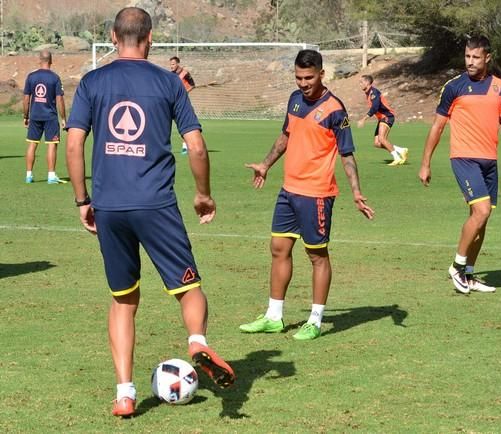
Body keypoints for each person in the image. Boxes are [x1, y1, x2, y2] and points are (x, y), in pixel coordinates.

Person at [65, 7, 235, 418]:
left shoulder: (92, 81)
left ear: (111, 36)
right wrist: (203, 195)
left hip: (109, 205)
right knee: (188, 287)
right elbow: (195, 146)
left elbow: (73, 145)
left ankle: (124, 393)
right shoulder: (168, 82)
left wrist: (83, 200)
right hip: (156, 204)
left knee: (124, 300)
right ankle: (197, 341)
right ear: (151, 39)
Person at [240, 49, 374, 340]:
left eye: (309, 77)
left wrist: (356, 192)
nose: (303, 83)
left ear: (322, 74)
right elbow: (286, 135)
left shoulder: (335, 110)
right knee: (278, 248)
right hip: (289, 190)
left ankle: (315, 320)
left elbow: (347, 154)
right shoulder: (294, 99)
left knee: (316, 255)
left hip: (317, 194)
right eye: (299, 77)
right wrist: (265, 164)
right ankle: (274, 316)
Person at [419, 36, 501, 294]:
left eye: (475, 57)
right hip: (463, 157)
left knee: (482, 219)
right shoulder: (453, 87)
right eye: (467, 57)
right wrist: (425, 163)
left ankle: (469, 274)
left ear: (487, 58)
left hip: (489, 160)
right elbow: (437, 126)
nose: (470, 62)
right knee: (481, 211)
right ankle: (457, 267)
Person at [23, 50, 66, 184]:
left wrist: (26, 116)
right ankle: (51, 176)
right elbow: (60, 100)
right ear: (51, 61)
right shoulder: (55, 78)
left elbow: (26, 99)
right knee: (52, 145)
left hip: (35, 115)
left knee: (32, 144)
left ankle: (29, 176)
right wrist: (63, 118)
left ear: (39, 60)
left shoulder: (31, 76)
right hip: (50, 117)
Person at [357, 75, 408, 165]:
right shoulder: (368, 93)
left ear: (367, 83)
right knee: (377, 143)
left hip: (387, 116)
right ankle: (401, 150)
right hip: (382, 118)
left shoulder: (374, 93)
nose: (359, 84)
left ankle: (396, 158)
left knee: (381, 138)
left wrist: (363, 119)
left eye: (361, 82)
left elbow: (375, 108)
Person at [170, 56, 196, 155]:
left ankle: (185, 147)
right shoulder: (171, 75)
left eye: (173, 64)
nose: (171, 66)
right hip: (172, 102)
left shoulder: (185, 74)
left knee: (182, 124)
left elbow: (193, 85)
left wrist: (184, 92)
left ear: (177, 64)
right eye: (170, 64)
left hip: (182, 103)